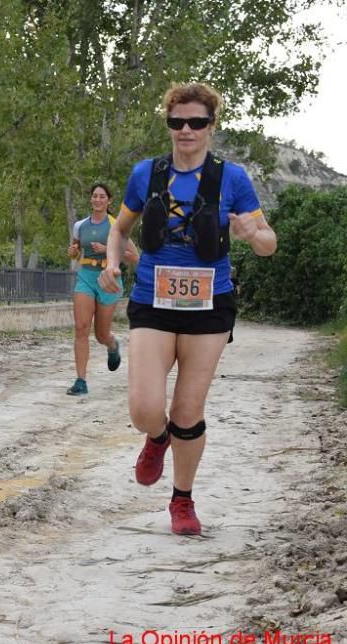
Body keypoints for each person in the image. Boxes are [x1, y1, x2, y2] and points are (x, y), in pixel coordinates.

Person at [99, 82, 277, 535]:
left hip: (209, 305)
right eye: (177, 123)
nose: (186, 131)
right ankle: (155, 439)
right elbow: (120, 230)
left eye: (197, 122)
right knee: (144, 408)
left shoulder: (232, 179)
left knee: (187, 410)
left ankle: (182, 500)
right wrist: (112, 264)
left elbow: (268, 244)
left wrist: (249, 234)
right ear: (169, 125)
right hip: (152, 301)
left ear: (211, 126)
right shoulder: (147, 174)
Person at [65, 183, 139, 396]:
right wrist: (72, 251)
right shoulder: (80, 225)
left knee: (100, 334)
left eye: (102, 197)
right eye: (94, 196)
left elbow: (134, 257)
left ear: (109, 201)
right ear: (91, 199)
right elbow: (75, 252)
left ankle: (112, 344)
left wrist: (109, 249)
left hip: (109, 279)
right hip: (86, 276)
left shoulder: (117, 225)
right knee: (81, 327)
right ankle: (81, 380)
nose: (97, 200)